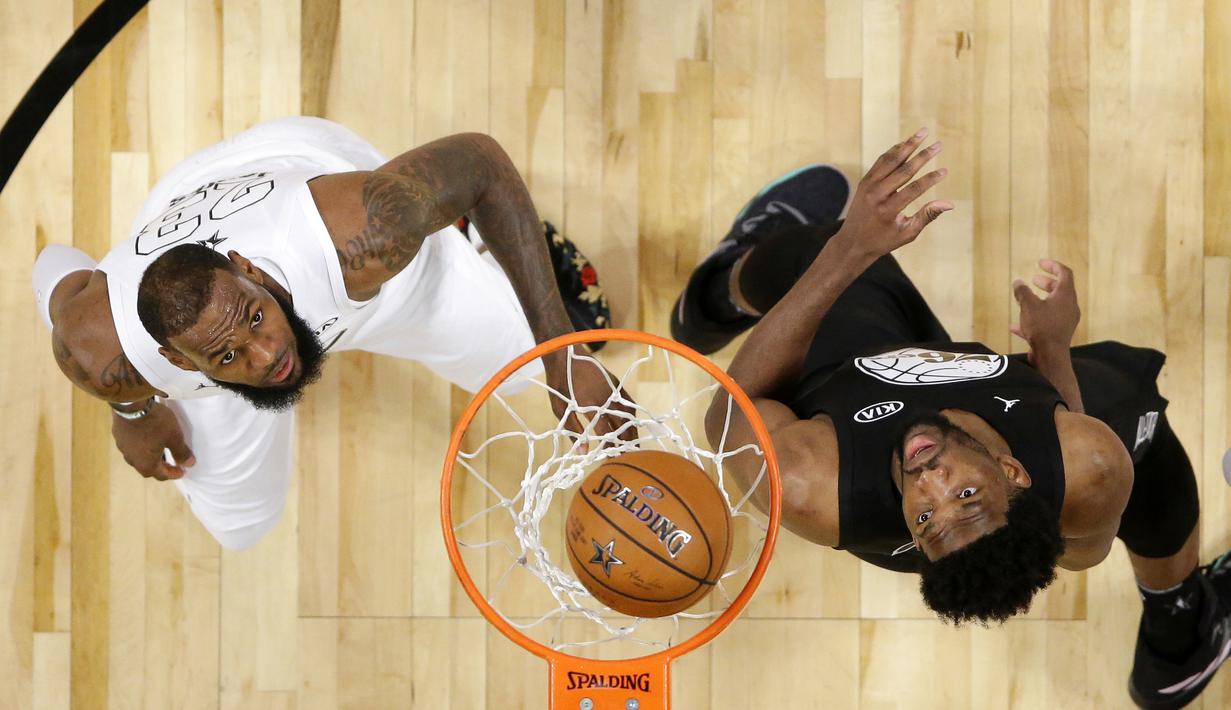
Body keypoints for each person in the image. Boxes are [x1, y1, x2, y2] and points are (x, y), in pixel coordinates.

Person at [672, 129, 1231, 709]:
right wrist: (1052, 349)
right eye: (965, 495)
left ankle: (709, 304)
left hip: (849, 378)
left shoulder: (810, 479)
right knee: (1134, 420)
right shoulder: (1086, 465)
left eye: (924, 518)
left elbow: (730, 412)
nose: (928, 483)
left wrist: (849, 249)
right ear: (1015, 472)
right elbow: (1083, 552)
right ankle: (1180, 618)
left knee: (802, 253)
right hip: (979, 390)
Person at [34, 117, 626, 550]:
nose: (268, 356)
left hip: (324, 190)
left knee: (528, 368)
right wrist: (134, 412)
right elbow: (53, 271)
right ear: (178, 363)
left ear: (249, 270)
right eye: (228, 355)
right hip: (186, 210)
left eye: (256, 319)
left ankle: (459, 227)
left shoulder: (360, 239)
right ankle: (452, 225)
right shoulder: (111, 359)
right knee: (240, 527)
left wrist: (562, 352)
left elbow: (482, 162)